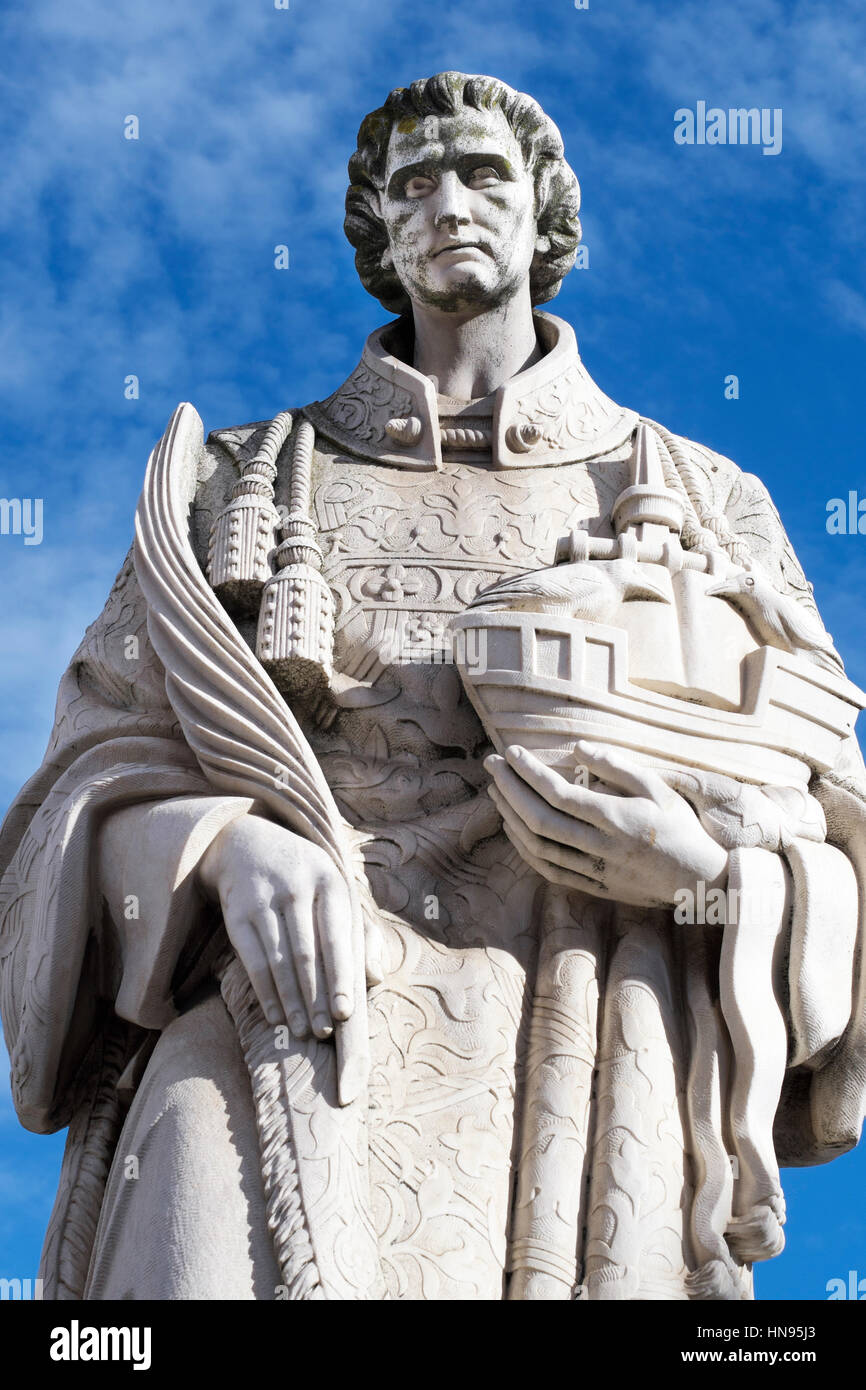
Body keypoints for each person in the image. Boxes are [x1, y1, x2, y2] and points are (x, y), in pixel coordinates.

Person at [2, 70, 865, 1302]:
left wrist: (703, 878)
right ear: (376, 228)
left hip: (589, 1039)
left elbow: (832, 818)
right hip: (277, 1017)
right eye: (414, 182)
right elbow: (84, 780)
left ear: (543, 214)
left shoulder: (701, 497)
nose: (448, 201)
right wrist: (218, 849)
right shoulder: (242, 478)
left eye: (483, 175)